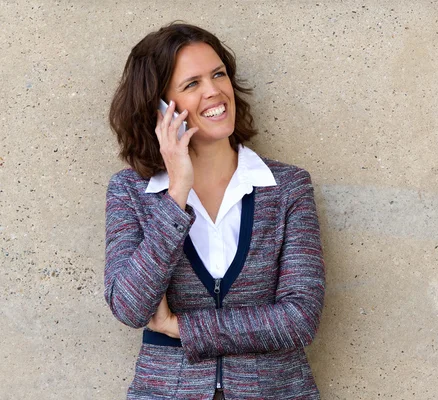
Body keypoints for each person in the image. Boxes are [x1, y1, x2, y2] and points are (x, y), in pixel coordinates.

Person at [105, 22, 325, 400]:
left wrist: (181, 327)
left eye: (218, 74)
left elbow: (300, 317)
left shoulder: (287, 187)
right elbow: (129, 306)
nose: (214, 92)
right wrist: (176, 192)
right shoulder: (131, 192)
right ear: (158, 106)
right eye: (192, 84)